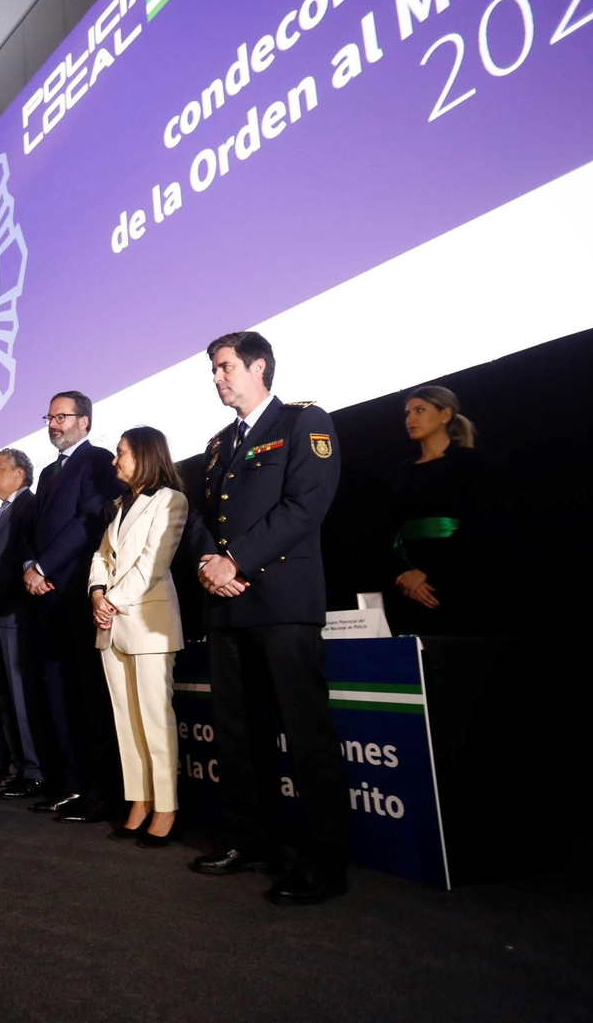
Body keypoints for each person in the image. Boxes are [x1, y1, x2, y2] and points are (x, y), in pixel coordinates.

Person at [184, 331, 350, 905]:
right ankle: (252, 840)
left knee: (305, 733)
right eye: (213, 369)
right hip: (227, 603)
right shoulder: (216, 443)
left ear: (258, 367)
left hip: (281, 603)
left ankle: (324, 859)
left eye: (225, 366)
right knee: (238, 733)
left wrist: (236, 560)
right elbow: (202, 515)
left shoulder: (305, 423)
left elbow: (306, 505)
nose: (217, 376)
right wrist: (211, 561)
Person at [24, 391, 124, 823]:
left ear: (84, 421)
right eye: (49, 417)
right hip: (43, 597)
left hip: (77, 594)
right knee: (55, 696)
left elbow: (88, 522)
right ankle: (69, 784)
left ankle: (101, 792)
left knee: (88, 697)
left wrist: (45, 565)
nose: (54, 424)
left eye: (62, 416)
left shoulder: (98, 460)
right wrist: (31, 564)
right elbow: (33, 529)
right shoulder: (47, 472)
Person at [89, 427, 188, 847]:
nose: (115, 460)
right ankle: (139, 800)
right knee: (126, 721)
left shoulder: (170, 500)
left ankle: (166, 805)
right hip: (111, 626)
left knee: (153, 717)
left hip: (147, 623)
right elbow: (100, 555)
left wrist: (111, 601)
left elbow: (153, 564)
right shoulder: (119, 505)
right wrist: (96, 592)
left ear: (145, 455)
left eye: (122, 452)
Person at [0, 447, 48, 799]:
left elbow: (23, 562)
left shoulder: (30, 507)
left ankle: (35, 771)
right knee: (5, 698)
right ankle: (19, 767)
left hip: (16, 615)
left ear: (20, 474)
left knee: (21, 697)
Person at [387, 385, 489, 635]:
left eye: (420, 410)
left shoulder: (471, 462)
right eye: (408, 413)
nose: (411, 419)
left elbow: (482, 525)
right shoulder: (401, 472)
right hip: (408, 587)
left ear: (445, 415)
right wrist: (405, 574)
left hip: (458, 580)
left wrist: (429, 572)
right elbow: (389, 529)